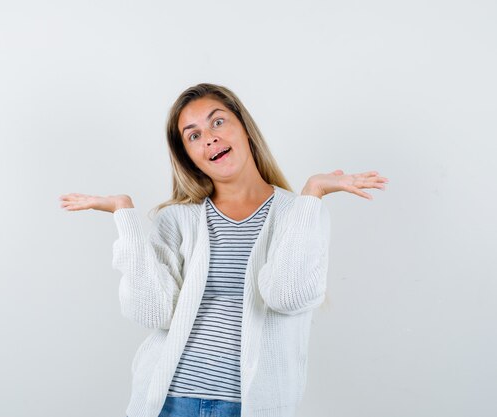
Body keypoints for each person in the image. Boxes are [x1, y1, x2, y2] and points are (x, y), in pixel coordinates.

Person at [59, 83, 388, 417]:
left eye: (217, 122)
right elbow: (151, 313)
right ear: (188, 156)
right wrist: (124, 215)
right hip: (170, 402)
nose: (209, 138)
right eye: (193, 135)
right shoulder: (177, 219)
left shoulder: (298, 213)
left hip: (251, 407)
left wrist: (312, 193)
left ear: (244, 127)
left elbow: (287, 296)